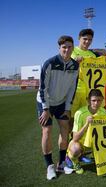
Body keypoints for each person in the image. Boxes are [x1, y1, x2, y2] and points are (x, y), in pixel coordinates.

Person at [36, 35, 79, 180]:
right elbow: (43, 88)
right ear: (59, 48)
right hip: (45, 102)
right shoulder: (49, 63)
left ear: (73, 48)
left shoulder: (75, 65)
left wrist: (67, 108)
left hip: (61, 103)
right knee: (47, 132)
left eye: (70, 47)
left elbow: (72, 89)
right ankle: (49, 166)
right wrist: (46, 109)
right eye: (64, 47)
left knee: (65, 129)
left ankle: (61, 163)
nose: (67, 50)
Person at [66, 89, 106, 174]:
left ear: (102, 100)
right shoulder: (80, 113)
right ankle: (74, 160)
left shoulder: (104, 112)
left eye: (99, 100)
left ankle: (91, 155)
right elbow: (75, 138)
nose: (96, 103)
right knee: (75, 149)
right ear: (88, 100)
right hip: (81, 143)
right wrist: (86, 124)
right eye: (93, 100)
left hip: (96, 142)